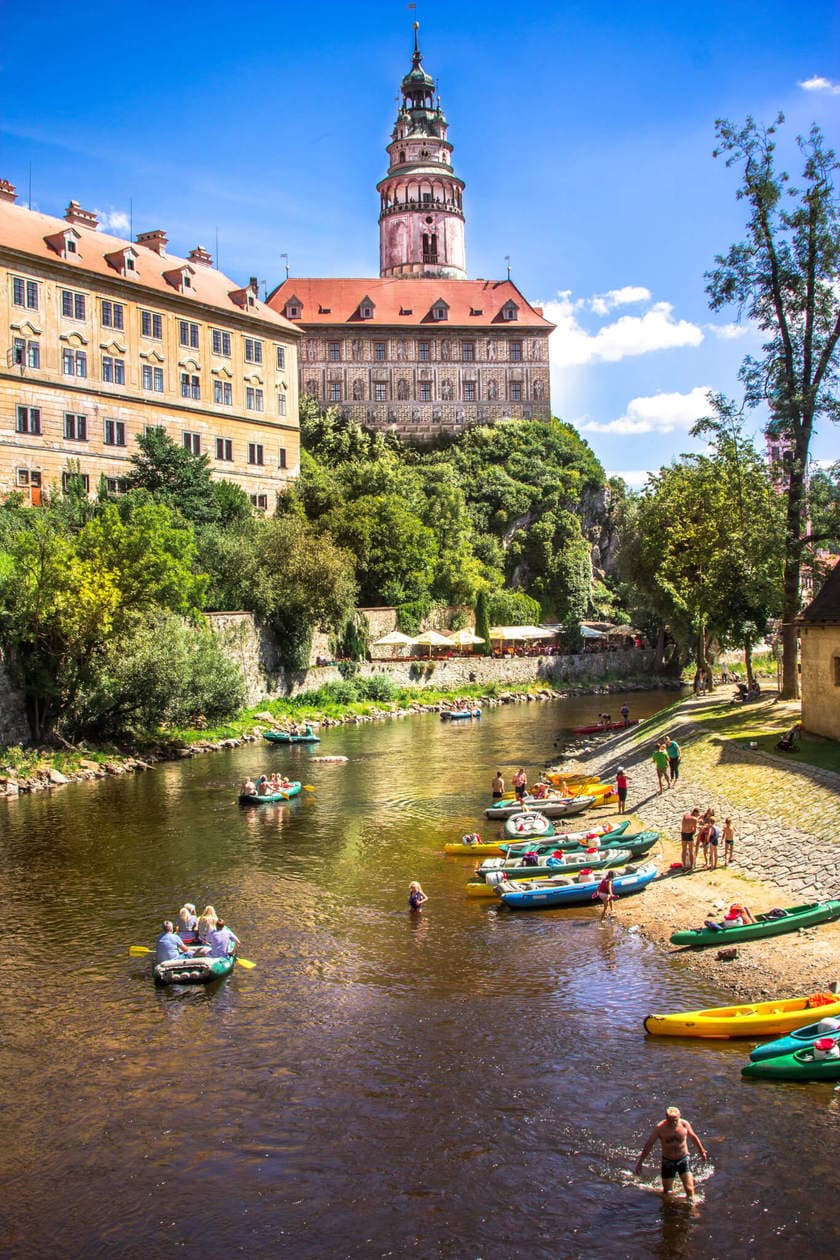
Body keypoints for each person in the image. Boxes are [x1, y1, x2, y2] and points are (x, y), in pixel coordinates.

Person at [635, 1106, 708, 1204]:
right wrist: (640, 1162)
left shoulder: (684, 1124)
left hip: (683, 1159)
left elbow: (694, 1137)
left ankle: (693, 1210)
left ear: (679, 1116)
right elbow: (649, 1144)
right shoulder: (660, 1128)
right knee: (667, 1192)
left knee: (690, 1189)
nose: (673, 1122)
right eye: (670, 1120)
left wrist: (702, 1151)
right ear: (666, 1118)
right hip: (668, 1161)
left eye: (675, 1120)